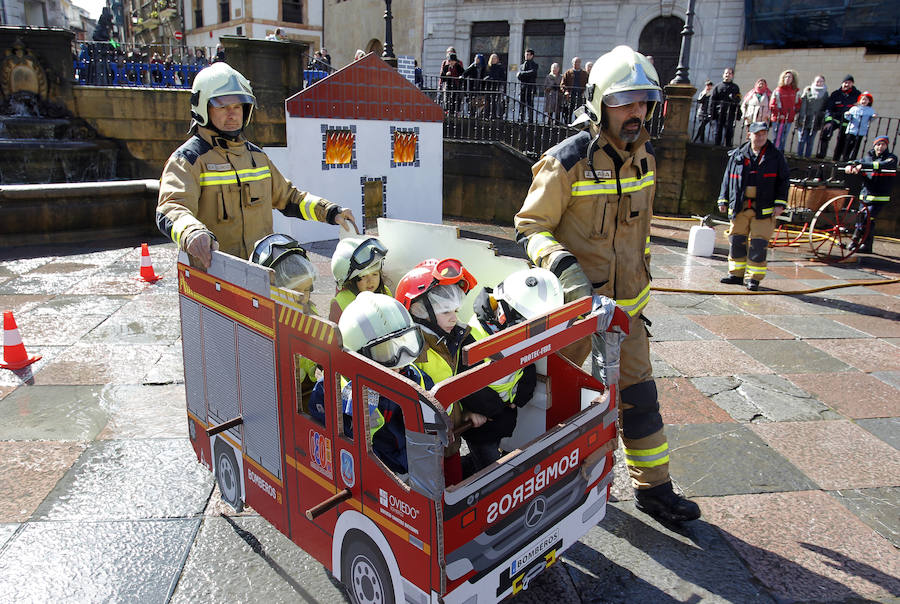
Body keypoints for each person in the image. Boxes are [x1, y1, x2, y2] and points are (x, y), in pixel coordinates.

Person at [514, 45, 700, 523]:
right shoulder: (566, 162)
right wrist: (565, 269)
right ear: (600, 103)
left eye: (643, 101)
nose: (636, 112)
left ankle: (654, 490)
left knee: (640, 401)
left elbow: (639, 234)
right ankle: (555, 487)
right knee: (564, 406)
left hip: (628, 314)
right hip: (577, 316)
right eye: (625, 101)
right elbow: (529, 227)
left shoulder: (648, 160)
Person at [156, 63, 356, 268]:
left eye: (237, 106)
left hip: (259, 271)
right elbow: (171, 207)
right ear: (202, 108)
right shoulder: (188, 160)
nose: (232, 114)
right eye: (222, 106)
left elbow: (289, 198)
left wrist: (330, 211)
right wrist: (191, 231)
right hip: (214, 275)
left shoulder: (257, 157)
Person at [395, 259, 490, 484]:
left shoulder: (452, 338)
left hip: (450, 442)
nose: (454, 318)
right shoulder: (410, 350)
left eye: (455, 310)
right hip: (422, 453)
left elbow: (451, 388)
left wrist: (464, 414)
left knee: (455, 489)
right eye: (445, 311)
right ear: (419, 310)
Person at [463, 268, 561, 472]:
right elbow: (470, 387)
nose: (532, 334)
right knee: (488, 470)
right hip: (483, 423)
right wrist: (497, 410)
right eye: (527, 325)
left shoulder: (511, 331)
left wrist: (521, 396)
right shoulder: (475, 337)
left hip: (503, 414)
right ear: (504, 312)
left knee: (489, 461)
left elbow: (526, 364)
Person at [335, 292, 433, 477]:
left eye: (404, 343)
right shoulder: (338, 392)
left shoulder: (414, 376)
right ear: (357, 357)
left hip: (413, 464)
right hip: (375, 474)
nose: (399, 362)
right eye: (385, 352)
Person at [717, 121, 789, 291]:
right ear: (749, 134)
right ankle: (736, 274)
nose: (761, 137)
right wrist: (723, 200)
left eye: (764, 134)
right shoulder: (737, 155)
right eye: (757, 134)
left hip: (764, 209)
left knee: (758, 243)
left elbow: (783, 182)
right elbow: (727, 179)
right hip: (740, 206)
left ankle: (754, 278)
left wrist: (780, 204)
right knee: (736, 240)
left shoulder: (775, 157)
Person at [844, 135, 896, 253]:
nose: (880, 147)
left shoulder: (891, 158)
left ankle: (855, 240)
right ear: (874, 145)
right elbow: (857, 161)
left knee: (868, 218)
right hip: (866, 195)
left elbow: (882, 165)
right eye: (878, 144)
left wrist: (863, 166)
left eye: (883, 144)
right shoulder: (867, 158)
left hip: (879, 197)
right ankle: (866, 245)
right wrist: (851, 165)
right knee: (862, 218)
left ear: (887, 146)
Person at [329, 236, 391, 322]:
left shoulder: (385, 292)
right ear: (350, 281)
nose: (370, 281)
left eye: (375, 274)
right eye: (363, 276)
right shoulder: (340, 303)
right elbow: (334, 334)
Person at [818, 74, 860, 160]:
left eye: (848, 83)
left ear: (852, 84)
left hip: (847, 121)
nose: (846, 84)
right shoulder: (836, 94)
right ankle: (822, 154)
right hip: (835, 119)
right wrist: (828, 121)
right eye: (845, 82)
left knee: (842, 140)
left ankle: (836, 158)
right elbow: (829, 108)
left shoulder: (857, 95)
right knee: (825, 132)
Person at [796, 75, 827, 158]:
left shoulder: (825, 94)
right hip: (805, 119)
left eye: (821, 81)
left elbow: (825, 107)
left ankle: (807, 157)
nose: (819, 83)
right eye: (817, 81)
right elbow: (803, 105)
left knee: (810, 141)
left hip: (816, 121)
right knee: (801, 140)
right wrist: (802, 118)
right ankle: (799, 156)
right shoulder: (808, 91)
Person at [769, 70, 800, 152]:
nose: (788, 78)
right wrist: (779, 114)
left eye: (790, 77)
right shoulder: (778, 90)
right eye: (786, 77)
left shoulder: (795, 91)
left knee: (784, 138)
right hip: (778, 118)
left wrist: (793, 113)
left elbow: (798, 104)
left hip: (788, 119)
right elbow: (772, 104)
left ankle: (780, 154)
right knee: (776, 137)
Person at [710, 67, 741, 147]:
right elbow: (713, 101)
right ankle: (716, 146)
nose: (727, 75)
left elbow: (738, 99)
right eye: (726, 73)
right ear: (723, 75)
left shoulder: (735, 87)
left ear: (732, 75)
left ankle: (728, 148)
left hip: (730, 112)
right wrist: (711, 113)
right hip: (719, 112)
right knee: (717, 132)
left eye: (730, 73)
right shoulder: (717, 87)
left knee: (729, 131)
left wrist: (734, 98)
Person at [842, 91, 876, 161]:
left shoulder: (870, 110)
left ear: (869, 101)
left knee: (856, 145)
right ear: (859, 100)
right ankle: (845, 157)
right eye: (862, 99)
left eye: (866, 100)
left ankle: (853, 158)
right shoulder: (854, 108)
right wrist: (847, 114)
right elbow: (848, 117)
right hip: (852, 129)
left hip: (861, 130)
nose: (864, 101)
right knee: (848, 144)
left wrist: (873, 117)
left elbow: (871, 119)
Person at [561, 57, 588, 122]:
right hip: (571, 94)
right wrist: (566, 91)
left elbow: (587, 84)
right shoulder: (568, 72)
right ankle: (568, 123)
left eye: (578, 62)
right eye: (575, 62)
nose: (577, 64)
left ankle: (578, 124)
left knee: (579, 111)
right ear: (572, 63)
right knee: (569, 110)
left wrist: (584, 92)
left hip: (580, 94)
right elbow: (563, 84)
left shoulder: (584, 73)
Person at [462, 53, 487, 118]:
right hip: (472, 86)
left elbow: (485, 75)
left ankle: (478, 115)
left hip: (480, 87)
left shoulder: (483, 67)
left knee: (480, 101)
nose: (476, 60)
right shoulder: (473, 66)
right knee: (471, 101)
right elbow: (466, 72)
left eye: (477, 58)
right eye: (475, 58)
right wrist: (462, 76)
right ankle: (471, 114)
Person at [517, 49, 539, 123]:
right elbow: (519, 77)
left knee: (530, 104)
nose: (526, 56)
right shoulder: (521, 66)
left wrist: (522, 73)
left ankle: (530, 119)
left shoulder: (535, 65)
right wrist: (523, 74)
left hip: (530, 88)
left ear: (532, 56)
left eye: (528, 54)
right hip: (523, 87)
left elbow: (533, 73)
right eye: (526, 54)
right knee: (521, 104)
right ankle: (521, 118)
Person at [484, 53, 506, 118]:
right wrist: (487, 78)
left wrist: (495, 79)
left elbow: (503, 77)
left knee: (495, 101)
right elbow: (484, 75)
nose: (493, 60)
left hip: (496, 86)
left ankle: (495, 115)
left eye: (495, 58)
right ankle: (487, 115)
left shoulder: (500, 67)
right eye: (492, 58)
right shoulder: (488, 67)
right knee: (488, 101)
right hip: (488, 86)